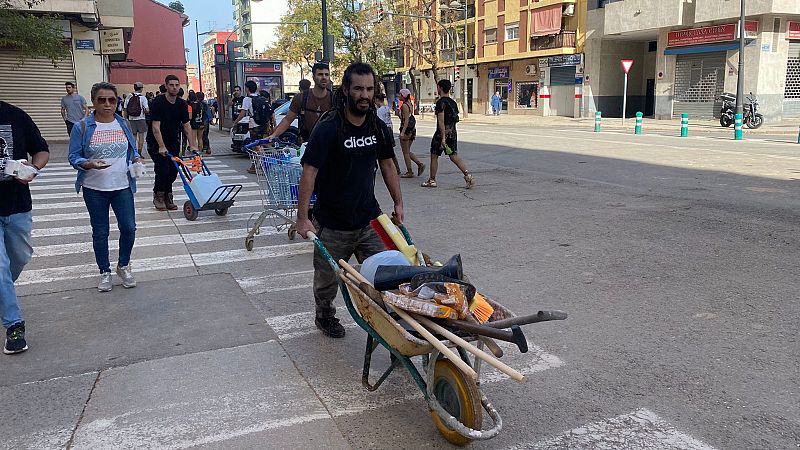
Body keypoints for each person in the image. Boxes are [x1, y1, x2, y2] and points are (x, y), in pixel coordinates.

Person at [297, 62, 402, 338]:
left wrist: (398, 203)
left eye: (369, 89)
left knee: (387, 276)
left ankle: (391, 327)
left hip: (370, 219)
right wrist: (303, 218)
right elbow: (309, 172)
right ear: (346, 90)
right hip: (332, 223)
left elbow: (388, 165)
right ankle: (325, 315)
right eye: (358, 89)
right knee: (326, 280)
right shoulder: (329, 128)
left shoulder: (377, 127)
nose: (364, 95)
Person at [69, 82, 143, 292]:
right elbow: (73, 156)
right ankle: (104, 271)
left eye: (112, 100)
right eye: (102, 100)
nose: (107, 104)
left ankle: (123, 265)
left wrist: (137, 159)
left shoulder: (123, 123)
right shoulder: (82, 126)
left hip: (122, 186)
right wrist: (87, 163)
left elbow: (131, 151)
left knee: (129, 228)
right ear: (93, 102)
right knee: (100, 232)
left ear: (117, 101)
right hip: (94, 188)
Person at [0, 100, 50, 354]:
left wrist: (33, 167)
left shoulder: (15, 115)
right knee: (0, 268)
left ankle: (3, 294)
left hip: (17, 203)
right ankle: (14, 326)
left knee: (19, 258)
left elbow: (41, 150)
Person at [146, 74, 199, 211]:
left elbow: (187, 126)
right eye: (171, 85)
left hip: (173, 141)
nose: (174, 88)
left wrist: (192, 145)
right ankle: (159, 195)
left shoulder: (181, 104)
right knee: (162, 169)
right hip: (156, 142)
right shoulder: (158, 102)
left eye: (177, 85)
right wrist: (161, 146)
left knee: (173, 171)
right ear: (166, 86)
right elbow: (155, 127)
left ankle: (167, 196)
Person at [422, 79, 474, 189]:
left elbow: (441, 121)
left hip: (441, 134)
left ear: (440, 88)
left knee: (434, 155)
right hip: (453, 132)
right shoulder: (453, 103)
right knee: (453, 155)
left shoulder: (441, 103)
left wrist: (443, 138)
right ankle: (468, 175)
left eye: (438, 87)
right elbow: (454, 120)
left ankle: (432, 180)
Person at [269, 62, 332, 143]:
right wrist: (274, 135)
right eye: (320, 74)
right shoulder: (300, 98)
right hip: (306, 145)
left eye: (326, 75)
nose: (324, 77)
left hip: (330, 145)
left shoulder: (335, 99)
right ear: (313, 77)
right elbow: (287, 120)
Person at [235, 81, 270, 174]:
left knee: (257, 146)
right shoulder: (261, 98)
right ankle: (254, 166)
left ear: (247, 88)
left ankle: (264, 166)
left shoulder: (247, 99)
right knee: (257, 146)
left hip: (254, 125)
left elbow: (243, 113)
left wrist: (235, 122)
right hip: (263, 125)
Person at [397, 88, 424, 178]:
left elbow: (406, 120)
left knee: (405, 152)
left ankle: (410, 171)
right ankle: (419, 164)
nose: (398, 96)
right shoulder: (409, 104)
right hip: (412, 130)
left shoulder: (404, 105)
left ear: (403, 95)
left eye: (400, 94)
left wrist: (403, 132)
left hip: (407, 131)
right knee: (407, 151)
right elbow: (405, 118)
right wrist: (398, 114)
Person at [375, 92, 401, 175]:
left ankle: (391, 168)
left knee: (382, 150)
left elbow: (379, 122)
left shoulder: (379, 110)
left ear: (377, 100)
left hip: (383, 130)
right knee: (390, 150)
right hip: (389, 129)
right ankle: (397, 167)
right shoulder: (387, 108)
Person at [123, 82, 150, 159]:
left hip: (131, 119)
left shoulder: (129, 96)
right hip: (141, 119)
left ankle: (133, 153)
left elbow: (125, 108)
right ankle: (139, 153)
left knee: (133, 137)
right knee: (141, 138)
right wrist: (145, 111)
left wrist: (125, 119)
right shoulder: (143, 98)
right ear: (141, 89)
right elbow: (147, 110)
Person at [188, 91, 206, 155]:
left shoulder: (190, 105)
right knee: (200, 138)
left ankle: (196, 152)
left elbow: (190, 117)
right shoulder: (201, 104)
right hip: (201, 122)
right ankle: (200, 151)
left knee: (193, 138)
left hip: (194, 123)